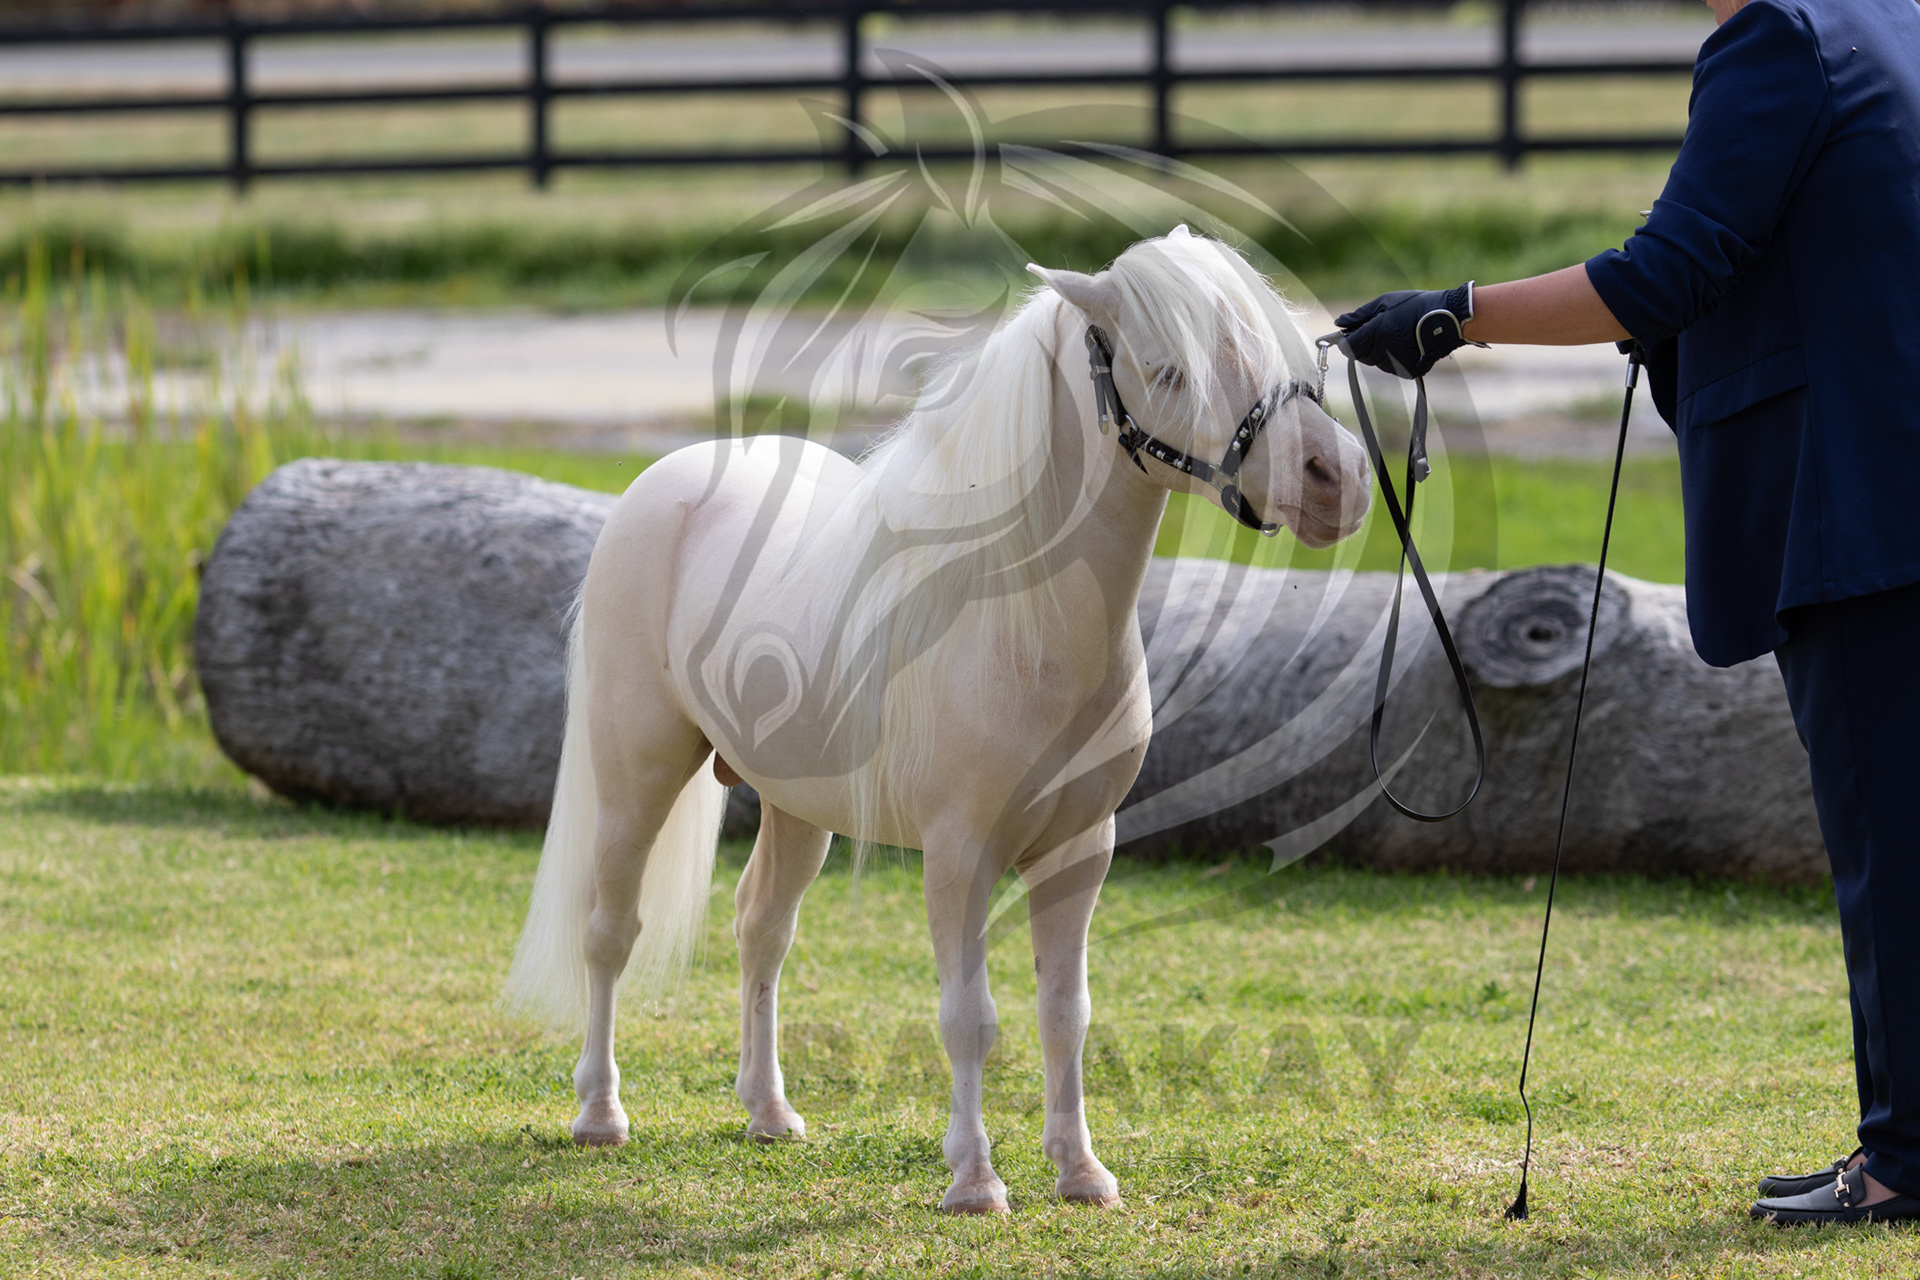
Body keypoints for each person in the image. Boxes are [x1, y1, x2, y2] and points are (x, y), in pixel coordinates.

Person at [1333, 0, 1920, 1228]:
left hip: (1856, 503)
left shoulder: (1776, 39)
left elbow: (1666, 271)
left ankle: (1904, 1158)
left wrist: (1453, 312)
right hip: (1892, 474)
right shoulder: (1892, 23)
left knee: (1887, 842)